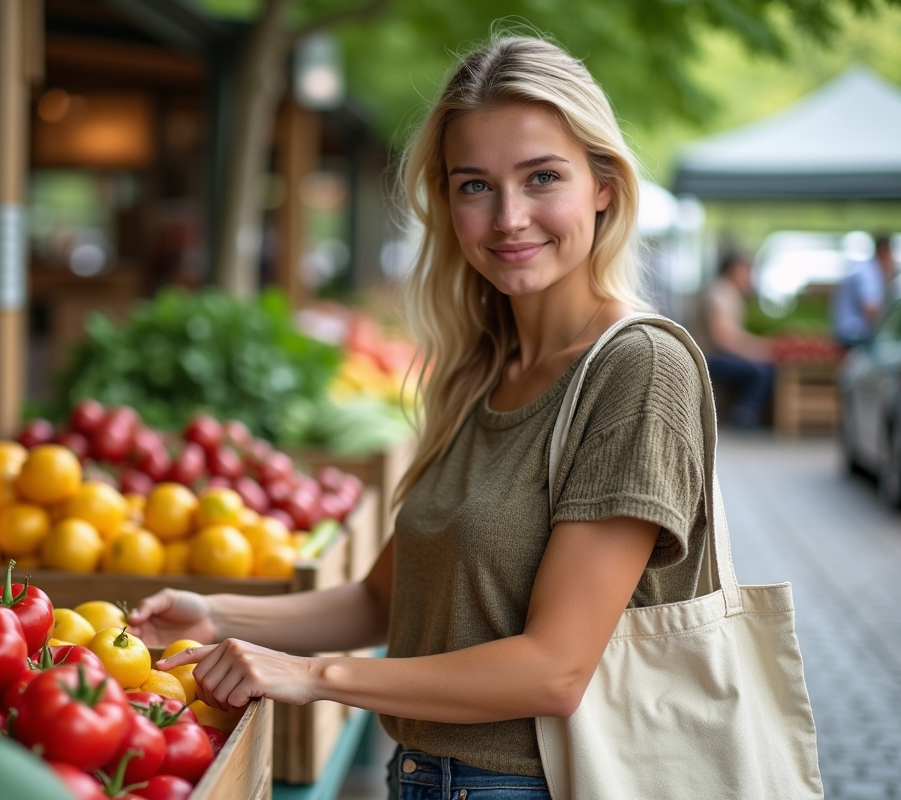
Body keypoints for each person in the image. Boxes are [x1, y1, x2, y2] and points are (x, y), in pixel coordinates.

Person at [130, 35, 707, 799]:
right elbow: (381, 600)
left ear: (603, 185)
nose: (509, 217)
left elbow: (554, 670)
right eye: (475, 186)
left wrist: (316, 677)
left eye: (542, 178)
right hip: (426, 778)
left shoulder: (639, 369)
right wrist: (215, 615)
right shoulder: (478, 371)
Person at [702, 253, 775, 428]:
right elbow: (723, 339)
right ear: (734, 271)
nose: (750, 277)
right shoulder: (721, 294)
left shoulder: (730, 293)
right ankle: (744, 415)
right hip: (711, 358)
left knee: (766, 366)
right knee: (761, 371)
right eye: (747, 271)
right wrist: (756, 351)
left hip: (718, 355)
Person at [832, 234, 896, 347]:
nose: (894, 260)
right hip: (854, 335)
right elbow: (870, 309)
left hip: (847, 333)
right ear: (884, 251)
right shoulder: (869, 274)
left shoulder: (866, 268)